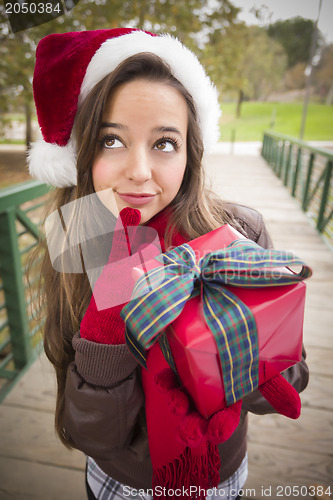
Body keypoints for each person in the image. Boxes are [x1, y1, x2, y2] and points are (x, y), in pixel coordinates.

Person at [28, 28, 309, 500]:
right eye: (111, 141)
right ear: (81, 152)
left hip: (220, 472)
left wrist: (257, 350)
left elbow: (290, 379)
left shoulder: (240, 233)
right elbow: (90, 433)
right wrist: (108, 324)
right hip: (122, 480)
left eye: (163, 143)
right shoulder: (76, 239)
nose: (139, 170)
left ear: (189, 152)